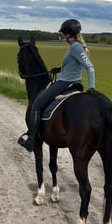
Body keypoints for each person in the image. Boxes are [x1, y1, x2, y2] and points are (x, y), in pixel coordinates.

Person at [17, 18, 96, 152]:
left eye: (63, 33)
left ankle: (30, 140)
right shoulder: (76, 46)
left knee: (36, 104)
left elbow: (89, 67)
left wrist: (92, 87)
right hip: (73, 81)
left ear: (67, 34)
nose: (63, 35)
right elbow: (76, 66)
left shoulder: (76, 47)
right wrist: (60, 69)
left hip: (64, 83)